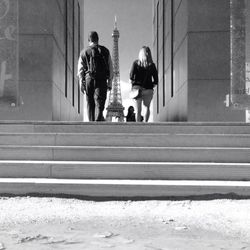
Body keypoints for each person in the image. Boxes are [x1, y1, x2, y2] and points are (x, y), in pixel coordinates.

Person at [78, 31, 113, 121]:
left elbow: (80, 70)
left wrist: (81, 83)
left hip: (89, 79)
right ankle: (99, 118)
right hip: (102, 79)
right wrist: (110, 82)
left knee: (90, 102)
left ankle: (91, 122)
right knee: (100, 101)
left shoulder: (84, 52)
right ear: (98, 39)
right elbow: (110, 67)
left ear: (89, 40)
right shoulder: (105, 51)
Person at [129, 46, 158, 122]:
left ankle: (138, 126)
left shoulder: (135, 63)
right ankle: (145, 124)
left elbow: (131, 77)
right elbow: (156, 80)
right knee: (147, 108)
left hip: (137, 89)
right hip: (148, 89)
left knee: (138, 110)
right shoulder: (152, 65)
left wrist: (133, 85)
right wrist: (151, 85)